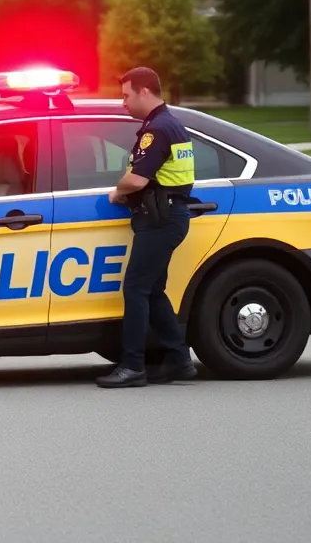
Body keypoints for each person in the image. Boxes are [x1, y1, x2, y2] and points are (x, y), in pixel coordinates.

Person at [98, 66, 198, 389]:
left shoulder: (156, 130)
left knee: (136, 288)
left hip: (160, 219)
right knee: (153, 290)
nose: (122, 102)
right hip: (168, 216)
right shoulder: (171, 124)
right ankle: (179, 361)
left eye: (126, 95)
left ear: (144, 92)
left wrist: (117, 192)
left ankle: (132, 366)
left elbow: (136, 179)